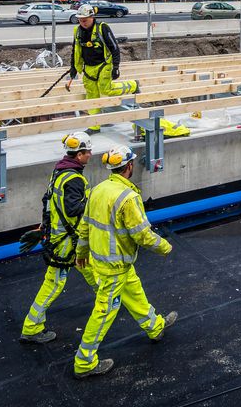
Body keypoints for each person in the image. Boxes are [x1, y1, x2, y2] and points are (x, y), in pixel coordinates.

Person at [72, 145, 177, 379]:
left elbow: (85, 226)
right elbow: (142, 234)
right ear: (129, 166)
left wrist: (81, 252)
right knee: (104, 311)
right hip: (114, 265)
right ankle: (84, 362)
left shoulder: (98, 190)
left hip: (107, 261)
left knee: (135, 293)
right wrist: (165, 247)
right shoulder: (127, 198)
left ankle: (155, 327)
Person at [19, 131, 97, 344]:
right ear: (79, 154)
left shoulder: (59, 171)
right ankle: (31, 327)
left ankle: (106, 303)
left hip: (61, 237)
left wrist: (42, 227)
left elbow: (47, 201)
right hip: (66, 241)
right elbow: (73, 209)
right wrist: (95, 204)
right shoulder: (74, 179)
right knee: (54, 283)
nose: (90, 155)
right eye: (88, 152)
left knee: (90, 268)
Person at [65, 4, 139, 133]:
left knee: (106, 90)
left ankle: (132, 86)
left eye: (85, 20)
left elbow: (114, 48)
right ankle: (95, 125)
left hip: (104, 65)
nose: (82, 22)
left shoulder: (102, 28)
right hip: (88, 68)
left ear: (92, 17)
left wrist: (116, 67)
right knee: (91, 95)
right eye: (80, 20)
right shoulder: (77, 31)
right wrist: (73, 68)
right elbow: (75, 50)